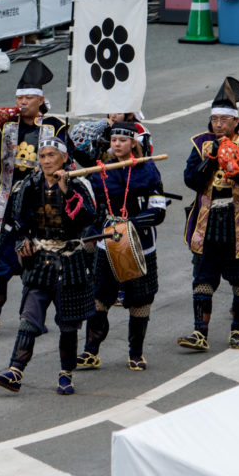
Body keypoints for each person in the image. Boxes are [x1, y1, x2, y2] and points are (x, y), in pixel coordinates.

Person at [0, 134, 97, 395]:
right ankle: (15, 371)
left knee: (68, 325)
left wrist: (66, 190)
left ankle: (66, 374)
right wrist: (22, 241)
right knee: (29, 319)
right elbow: (17, 220)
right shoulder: (30, 185)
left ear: (64, 158)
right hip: (40, 261)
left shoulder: (79, 185)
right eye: (43, 156)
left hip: (70, 261)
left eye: (51, 156)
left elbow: (88, 217)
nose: (46, 161)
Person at [0, 60, 71, 334]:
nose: (22, 102)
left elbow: (68, 160)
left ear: (40, 100)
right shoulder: (6, 126)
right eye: (19, 98)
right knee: (0, 258)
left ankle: (33, 318)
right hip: (9, 202)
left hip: (42, 202)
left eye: (28, 98)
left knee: (38, 263)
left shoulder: (55, 126)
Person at [178, 77, 239, 352]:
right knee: (203, 277)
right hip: (208, 222)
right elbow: (191, 181)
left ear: (235, 121)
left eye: (223, 119)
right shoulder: (202, 145)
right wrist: (211, 158)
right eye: (214, 118)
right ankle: (199, 332)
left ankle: (238, 331)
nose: (218, 124)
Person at [77, 122, 166, 371]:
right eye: (114, 140)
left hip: (140, 244)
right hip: (108, 243)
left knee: (140, 300)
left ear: (133, 143)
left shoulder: (148, 169)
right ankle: (90, 351)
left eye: (123, 140)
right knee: (99, 298)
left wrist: (130, 225)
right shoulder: (100, 171)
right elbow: (90, 209)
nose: (117, 144)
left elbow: (158, 211)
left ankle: (136, 353)